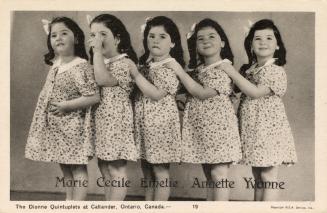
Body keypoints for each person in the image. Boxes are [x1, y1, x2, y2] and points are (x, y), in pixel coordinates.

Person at [220, 19, 297, 201]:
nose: (263, 42)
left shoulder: (276, 71)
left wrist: (230, 71)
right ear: (251, 45)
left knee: (268, 177)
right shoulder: (251, 70)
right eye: (258, 39)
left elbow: (255, 92)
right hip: (254, 131)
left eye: (269, 38)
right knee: (258, 178)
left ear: (278, 45)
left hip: (269, 131)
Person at [25, 17, 100, 201]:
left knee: (77, 168)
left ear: (76, 39)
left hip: (73, 127)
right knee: (65, 168)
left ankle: (78, 205)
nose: (58, 38)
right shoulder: (57, 65)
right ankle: (69, 202)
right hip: (57, 128)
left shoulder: (80, 66)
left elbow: (93, 96)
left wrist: (67, 105)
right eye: (53, 35)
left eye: (64, 33)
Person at [171, 18, 242, 201]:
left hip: (219, 131)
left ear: (223, 42)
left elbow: (202, 93)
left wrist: (178, 70)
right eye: (200, 38)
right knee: (210, 177)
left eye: (212, 36)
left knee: (218, 176)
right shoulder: (199, 70)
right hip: (202, 131)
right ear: (195, 44)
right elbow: (192, 94)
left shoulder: (223, 68)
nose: (206, 41)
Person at [131, 16, 184, 201]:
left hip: (160, 127)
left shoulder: (170, 67)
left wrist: (135, 74)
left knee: (160, 172)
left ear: (172, 43)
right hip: (145, 125)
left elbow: (155, 94)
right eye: (151, 36)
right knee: (147, 171)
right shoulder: (147, 65)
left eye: (162, 36)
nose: (155, 40)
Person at [88, 14, 139, 201]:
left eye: (103, 34)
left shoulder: (125, 63)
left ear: (117, 39)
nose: (97, 40)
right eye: (93, 35)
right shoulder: (99, 62)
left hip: (116, 122)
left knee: (116, 169)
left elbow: (103, 80)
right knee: (104, 167)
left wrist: (97, 53)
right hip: (102, 121)